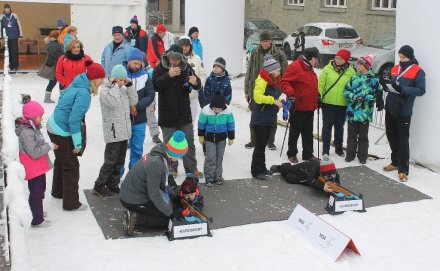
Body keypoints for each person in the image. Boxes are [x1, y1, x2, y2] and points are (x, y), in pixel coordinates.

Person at [47, 61, 105, 211]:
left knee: (62, 160)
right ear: (93, 79)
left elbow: (62, 97)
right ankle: (71, 203)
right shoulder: (84, 93)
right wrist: (77, 144)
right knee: (71, 166)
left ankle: (58, 192)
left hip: (53, 124)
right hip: (61, 130)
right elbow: (74, 119)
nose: (102, 82)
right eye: (100, 78)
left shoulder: (77, 82)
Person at [119, 130, 189, 235]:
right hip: (133, 199)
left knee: (168, 207)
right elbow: (154, 194)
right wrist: (171, 214)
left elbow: (162, 183)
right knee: (167, 221)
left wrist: (174, 196)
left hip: (134, 193)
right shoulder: (156, 164)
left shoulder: (160, 155)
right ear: (175, 153)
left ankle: (139, 214)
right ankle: (135, 218)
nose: (180, 159)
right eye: (180, 156)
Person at [152, 44, 203, 178]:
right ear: (168, 57)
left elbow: (198, 85)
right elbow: (155, 85)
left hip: (184, 112)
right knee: (169, 144)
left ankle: (191, 168)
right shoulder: (160, 68)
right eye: (173, 60)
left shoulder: (186, 67)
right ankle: (171, 168)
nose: (175, 63)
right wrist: (167, 75)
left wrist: (195, 81)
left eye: (178, 60)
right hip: (167, 113)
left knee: (189, 142)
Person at [92, 64, 138, 197]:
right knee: (111, 160)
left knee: (120, 160)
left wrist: (129, 86)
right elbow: (112, 102)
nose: (123, 82)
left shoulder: (123, 88)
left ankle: (113, 184)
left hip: (124, 131)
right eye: (121, 79)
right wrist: (115, 86)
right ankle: (99, 185)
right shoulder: (105, 90)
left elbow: (134, 100)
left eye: (124, 79)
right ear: (114, 78)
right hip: (113, 131)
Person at [383, 45, 426, 182]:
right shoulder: (395, 69)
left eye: (404, 57)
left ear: (410, 57)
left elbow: (420, 90)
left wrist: (402, 89)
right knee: (391, 135)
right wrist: (386, 85)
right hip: (391, 107)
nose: (401, 59)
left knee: (402, 139)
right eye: (400, 57)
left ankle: (403, 169)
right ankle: (395, 162)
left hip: (404, 110)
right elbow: (391, 83)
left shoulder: (418, 71)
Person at [16, 95, 57, 227]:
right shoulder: (27, 132)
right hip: (33, 167)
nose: (42, 118)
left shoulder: (32, 128)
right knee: (37, 192)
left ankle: (36, 211)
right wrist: (48, 146)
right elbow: (33, 152)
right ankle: (36, 219)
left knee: (39, 190)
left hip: (37, 167)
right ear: (32, 117)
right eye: (40, 116)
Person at [244, 31, 288, 150]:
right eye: (263, 41)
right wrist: (247, 90)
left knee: (272, 117)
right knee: (255, 116)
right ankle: (253, 140)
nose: (265, 44)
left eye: (267, 41)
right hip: (257, 88)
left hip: (273, 89)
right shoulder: (254, 53)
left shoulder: (279, 54)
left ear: (271, 41)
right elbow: (249, 72)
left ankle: (270, 141)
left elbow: (285, 73)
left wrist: (281, 89)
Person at [280, 47, 320, 163]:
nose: (317, 61)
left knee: (308, 133)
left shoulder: (309, 68)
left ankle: (308, 154)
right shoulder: (295, 67)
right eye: (315, 59)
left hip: (310, 106)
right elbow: (284, 82)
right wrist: (291, 94)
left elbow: (311, 85)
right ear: (309, 58)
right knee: (295, 132)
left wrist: (317, 96)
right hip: (298, 106)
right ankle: (292, 153)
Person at [343, 54, 383, 164]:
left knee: (363, 136)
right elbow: (346, 91)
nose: (357, 65)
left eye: (360, 63)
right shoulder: (354, 78)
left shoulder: (374, 80)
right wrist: (354, 97)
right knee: (351, 135)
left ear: (366, 65)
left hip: (365, 113)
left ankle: (362, 156)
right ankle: (350, 155)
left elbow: (378, 94)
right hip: (352, 112)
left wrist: (366, 98)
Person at [250, 54, 283, 180]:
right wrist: (273, 101)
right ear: (270, 71)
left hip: (268, 117)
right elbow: (257, 97)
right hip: (260, 119)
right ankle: (256, 171)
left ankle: (262, 168)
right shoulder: (262, 80)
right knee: (259, 145)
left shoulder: (273, 81)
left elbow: (273, 96)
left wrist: (279, 103)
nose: (279, 72)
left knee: (263, 145)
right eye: (277, 70)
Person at [318, 49, 356, 157]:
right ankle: (325, 149)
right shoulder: (327, 68)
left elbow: (353, 87)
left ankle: (338, 148)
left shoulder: (351, 72)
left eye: (341, 58)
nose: (338, 60)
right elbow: (321, 83)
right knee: (327, 126)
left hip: (342, 104)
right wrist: (318, 95)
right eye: (337, 57)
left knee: (339, 126)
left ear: (346, 60)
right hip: (328, 102)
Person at [125, 48, 155, 171]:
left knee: (137, 148)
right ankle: (117, 176)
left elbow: (150, 95)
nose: (137, 66)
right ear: (128, 61)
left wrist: (137, 106)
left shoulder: (145, 76)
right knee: (120, 150)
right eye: (134, 63)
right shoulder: (122, 74)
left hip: (140, 119)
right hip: (123, 120)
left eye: (139, 63)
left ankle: (134, 173)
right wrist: (128, 107)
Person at [198, 92, 235, 186]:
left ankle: (218, 177)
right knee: (210, 157)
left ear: (223, 107)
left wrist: (231, 137)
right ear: (211, 106)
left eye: (219, 109)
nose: (217, 110)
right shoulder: (206, 110)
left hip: (222, 138)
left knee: (219, 158)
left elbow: (231, 124)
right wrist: (201, 136)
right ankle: (209, 178)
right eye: (215, 109)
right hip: (209, 138)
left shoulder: (227, 111)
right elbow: (201, 124)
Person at [270, 154, 340, 193]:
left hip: (305, 178)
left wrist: (333, 190)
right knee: (287, 169)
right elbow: (310, 179)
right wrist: (322, 187)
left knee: (289, 178)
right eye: (329, 175)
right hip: (303, 168)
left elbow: (337, 185)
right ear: (323, 173)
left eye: (333, 174)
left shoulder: (334, 173)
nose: (332, 176)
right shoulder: (316, 167)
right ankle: (279, 167)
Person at [179, 35, 206, 123]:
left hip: (193, 96)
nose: (184, 48)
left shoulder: (197, 58)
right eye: (182, 45)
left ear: (190, 46)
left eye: (186, 46)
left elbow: (202, 74)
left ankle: (189, 136)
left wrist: (197, 85)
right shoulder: (175, 59)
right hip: (178, 97)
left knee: (191, 121)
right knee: (179, 121)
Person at [43, 30, 64, 103]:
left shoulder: (54, 43)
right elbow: (55, 54)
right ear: (56, 36)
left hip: (57, 65)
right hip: (55, 66)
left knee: (59, 81)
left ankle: (62, 97)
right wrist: (64, 56)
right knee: (53, 82)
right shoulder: (52, 44)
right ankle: (47, 98)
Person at [0, 3, 22, 71]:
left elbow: (19, 25)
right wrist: (1, 37)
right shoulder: (1, 17)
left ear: (10, 8)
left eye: (8, 8)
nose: (7, 9)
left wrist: (20, 35)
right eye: (6, 8)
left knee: (14, 51)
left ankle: (15, 66)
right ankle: (10, 66)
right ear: (4, 9)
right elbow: (0, 27)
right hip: (6, 37)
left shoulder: (14, 15)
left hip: (14, 36)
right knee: (8, 52)